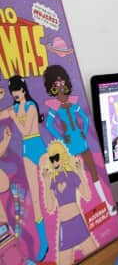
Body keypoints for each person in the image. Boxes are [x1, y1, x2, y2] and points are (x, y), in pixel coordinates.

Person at [43, 64, 116, 216]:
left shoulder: (73, 103)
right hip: (69, 144)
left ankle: (106, 203)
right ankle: (79, 211)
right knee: (72, 176)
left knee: (93, 171)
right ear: (51, 86)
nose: (60, 85)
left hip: (80, 140)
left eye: (62, 82)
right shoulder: (54, 107)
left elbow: (85, 118)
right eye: (56, 83)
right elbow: (49, 125)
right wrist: (61, 138)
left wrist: (84, 131)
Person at [0, 76, 49, 261]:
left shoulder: (30, 106)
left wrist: (13, 116)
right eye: (13, 91)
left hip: (38, 147)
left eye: (18, 90)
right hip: (27, 151)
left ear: (23, 89)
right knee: (35, 198)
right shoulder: (13, 108)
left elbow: (26, 131)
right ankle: (44, 242)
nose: (15, 94)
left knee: (50, 188)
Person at [41, 140, 98, 264]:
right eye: (52, 159)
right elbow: (50, 208)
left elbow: (87, 195)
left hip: (77, 221)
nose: (55, 162)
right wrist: (46, 183)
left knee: (96, 256)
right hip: (64, 226)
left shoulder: (72, 175)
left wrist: (80, 172)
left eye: (57, 158)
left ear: (63, 156)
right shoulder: (53, 180)